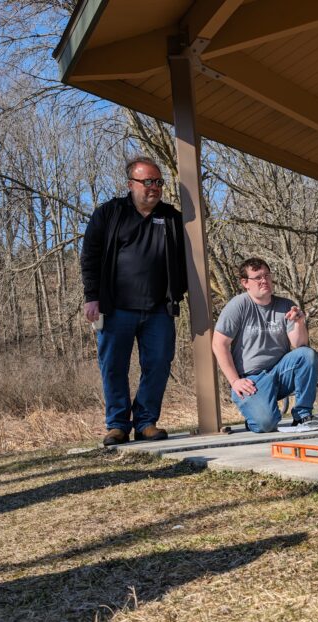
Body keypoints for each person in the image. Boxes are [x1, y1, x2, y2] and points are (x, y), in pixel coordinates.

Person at [81, 156, 187, 447]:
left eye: (159, 182)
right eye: (148, 182)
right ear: (131, 184)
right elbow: (89, 256)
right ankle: (117, 425)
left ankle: (146, 422)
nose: (154, 188)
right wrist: (92, 297)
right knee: (113, 366)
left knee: (158, 364)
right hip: (116, 309)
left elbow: (187, 259)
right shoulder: (110, 213)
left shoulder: (172, 218)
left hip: (158, 310)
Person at [212, 258, 318, 433]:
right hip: (251, 380)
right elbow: (219, 344)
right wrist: (235, 381)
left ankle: (303, 415)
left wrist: (299, 322)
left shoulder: (285, 305)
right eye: (257, 277)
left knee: (307, 354)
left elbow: (300, 346)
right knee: (266, 424)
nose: (264, 280)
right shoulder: (238, 306)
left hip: (279, 374)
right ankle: (255, 417)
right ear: (245, 283)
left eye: (267, 275)